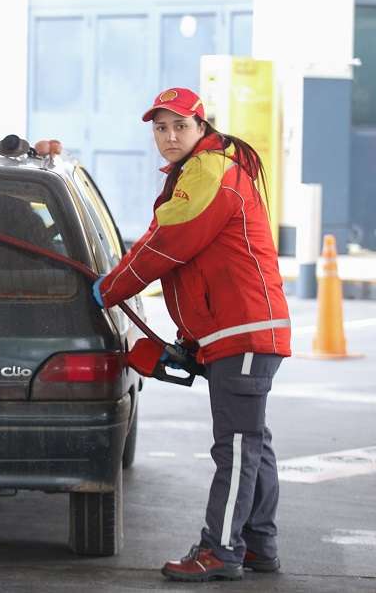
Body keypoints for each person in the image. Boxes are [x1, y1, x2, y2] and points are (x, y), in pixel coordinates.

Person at [92, 87, 290, 582]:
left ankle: (221, 551)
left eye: (181, 125)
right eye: (161, 128)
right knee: (252, 443)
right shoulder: (206, 170)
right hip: (239, 332)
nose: (170, 135)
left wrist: (110, 289)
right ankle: (259, 544)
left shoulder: (208, 172)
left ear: (202, 128)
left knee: (238, 447)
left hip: (243, 332)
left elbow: (167, 245)